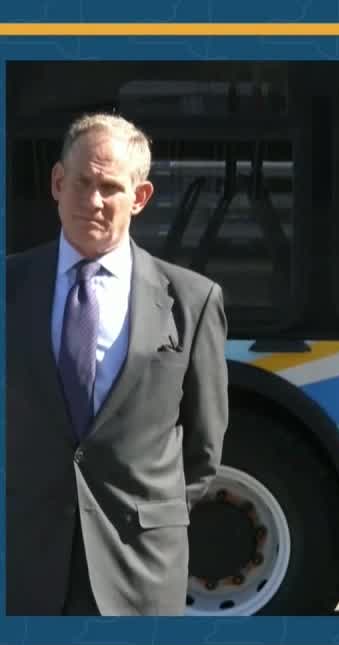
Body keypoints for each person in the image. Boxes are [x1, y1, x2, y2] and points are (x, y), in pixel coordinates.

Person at [6, 113, 230, 616]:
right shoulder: (9, 288)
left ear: (141, 197)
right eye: (81, 183)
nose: (92, 202)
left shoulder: (190, 301)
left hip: (140, 572)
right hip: (21, 566)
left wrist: (147, 516)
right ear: (57, 183)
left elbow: (203, 448)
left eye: (109, 187)